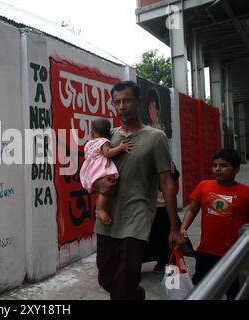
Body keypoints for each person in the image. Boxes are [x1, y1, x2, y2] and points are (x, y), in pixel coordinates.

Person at [94, 80, 185, 300]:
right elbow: (90, 172)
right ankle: (138, 295)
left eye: (127, 100)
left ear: (138, 102)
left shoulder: (155, 138)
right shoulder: (108, 138)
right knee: (106, 279)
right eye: (117, 102)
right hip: (108, 219)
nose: (122, 106)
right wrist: (98, 185)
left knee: (125, 280)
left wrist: (174, 227)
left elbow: (166, 182)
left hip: (138, 217)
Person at [180, 148, 249, 300]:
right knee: (201, 287)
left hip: (233, 254)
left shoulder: (245, 192)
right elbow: (193, 208)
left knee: (234, 291)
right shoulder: (204, 186)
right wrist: (183, 228)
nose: (218, 169)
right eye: (215, 165)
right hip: (206, 250)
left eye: (224, 165)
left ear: (236, 169)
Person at [80, 118, 133, 224]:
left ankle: (100, 208)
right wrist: (120, 147)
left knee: (103, 190)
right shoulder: (104, 142)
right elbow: (108, 153)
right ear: (109, 134)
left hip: (90, 173)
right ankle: (100, 209)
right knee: (107, 190)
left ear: (92, 133)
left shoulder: (88, 144)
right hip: (100, 172)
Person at [143, 162, 195, 273]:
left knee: (164, 236)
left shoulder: (165, 161)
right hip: (144, 206)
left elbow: (172, 181)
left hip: (162, 205)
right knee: (147, 238)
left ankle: (166, 261)